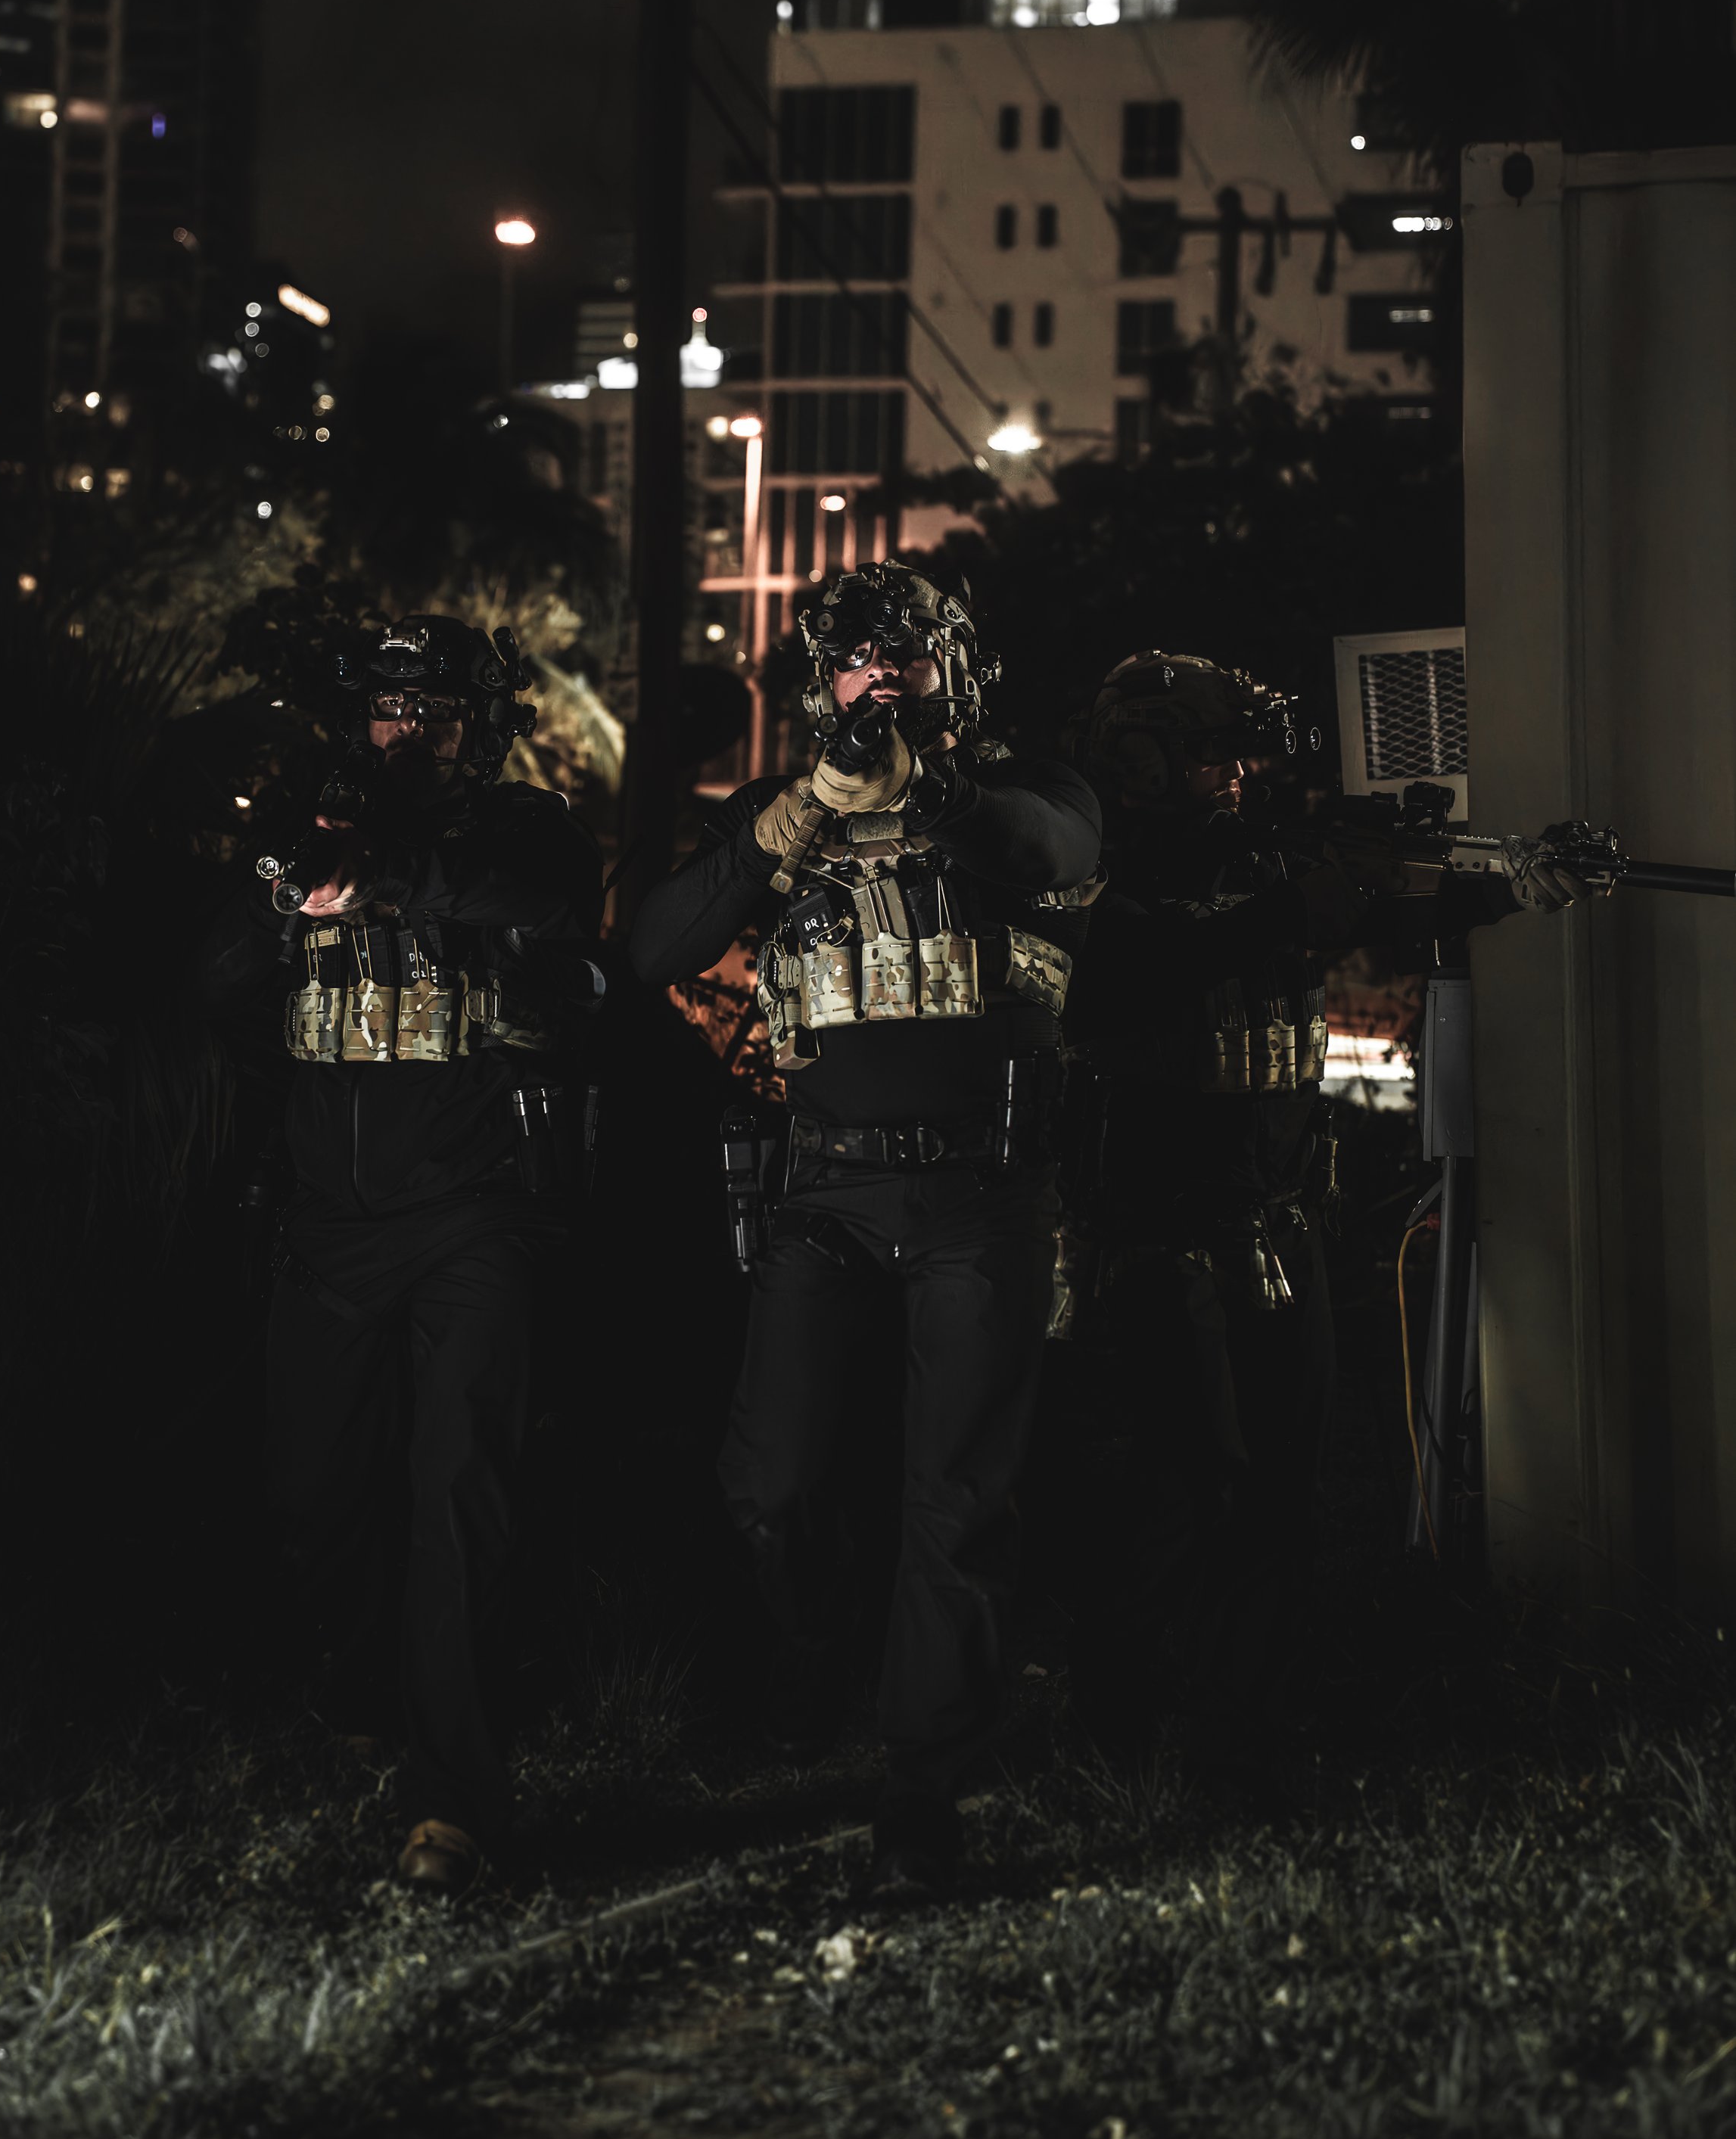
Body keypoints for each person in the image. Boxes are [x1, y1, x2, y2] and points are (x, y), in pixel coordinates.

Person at [630, 561, 1101, 1901]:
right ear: (821, 682)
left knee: (953, 1498)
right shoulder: (788, 812)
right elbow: (656, 946)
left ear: (951, 675)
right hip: (820, 1191)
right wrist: (791, 820)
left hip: (979, 1193)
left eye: (901, 659)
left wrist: (918, 791)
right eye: (851, 662)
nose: (874, 680)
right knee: (766, 1484)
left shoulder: (1034, 789)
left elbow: (1042, 854)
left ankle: (922, 1786)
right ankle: (812, 1676)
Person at [1058, 649, 1604, 1797]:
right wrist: (1283, 914)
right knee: (1184, 1479)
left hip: (1279, 1220)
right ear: (1149, 760)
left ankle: (1235, 1733)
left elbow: (1407, 897)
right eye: (1216, 757)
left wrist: (1521, 881)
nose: (1241, 779)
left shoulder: (1263, 853)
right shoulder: (1089, 861)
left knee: (1280, 1490)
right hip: (1158, 1231)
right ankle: (1107, 1716)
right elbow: (1117, 978)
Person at [201, 617, 601, 1897]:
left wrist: (390, 872)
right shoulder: (312, 817)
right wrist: (273, 883)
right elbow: (208, 980)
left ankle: (454, 1796)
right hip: (328, 1224)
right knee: (312, 1489)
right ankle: (371, 1703)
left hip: (475, 1214)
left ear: (480, 727)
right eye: (386, 707)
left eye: (434, 711)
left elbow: (538, 899)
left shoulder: (522, 826)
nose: (407, 730)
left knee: (455, 1492)